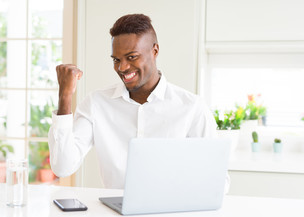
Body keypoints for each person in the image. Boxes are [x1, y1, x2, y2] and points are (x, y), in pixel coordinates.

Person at [48, 14, 221, 189]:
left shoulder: (192, 108)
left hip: (170, 213)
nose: (122, 68)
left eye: (131, 57)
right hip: (112, 214)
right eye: (116, 60)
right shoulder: (96, 103)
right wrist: (65, 96)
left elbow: (217, 179)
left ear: (155, 51)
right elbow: (63, 167)